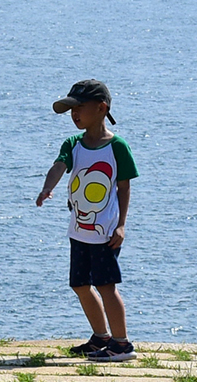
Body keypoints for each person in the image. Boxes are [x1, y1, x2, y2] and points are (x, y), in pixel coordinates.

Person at [33, 77, 137, 362]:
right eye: (71, 110)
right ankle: (100, 337)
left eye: (79, 107)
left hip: (105, 233)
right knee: (79, 284)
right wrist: (47, 188)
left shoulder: (117, 147)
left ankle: (121, 344)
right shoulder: (73, 143)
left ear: (102, 108)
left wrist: (122, 224)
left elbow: (124, 187)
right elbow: (59, 166)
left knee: (106, 286)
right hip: (78, 230)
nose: (74, 114)